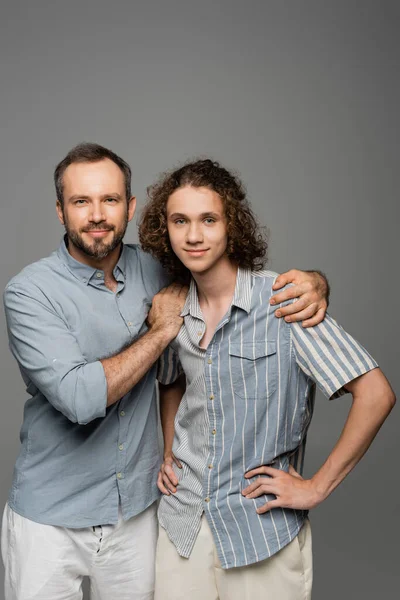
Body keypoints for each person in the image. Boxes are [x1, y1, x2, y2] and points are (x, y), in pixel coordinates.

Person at [1, 144, 329, 600]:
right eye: (81, 202)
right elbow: (80, 398)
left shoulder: (161, 268)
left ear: (130, 207)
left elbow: (226, 279)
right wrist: (159, 332)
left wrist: (314, 281)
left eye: (110, 200)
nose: (97, 215)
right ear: (60, 211)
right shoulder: (28, 292)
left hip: (138, 514)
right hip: (50, 520)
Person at [138, 158, 396, 600]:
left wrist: (316, 488)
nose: (194, 236)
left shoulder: (285, 301)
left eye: (208, 220)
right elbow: (172, 381)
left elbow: (376, 393)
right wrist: (169, 449)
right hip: (182, 526)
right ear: (166, 229)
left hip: (259, 530)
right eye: (180, 221)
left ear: (231, 224)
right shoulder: (172, 309)